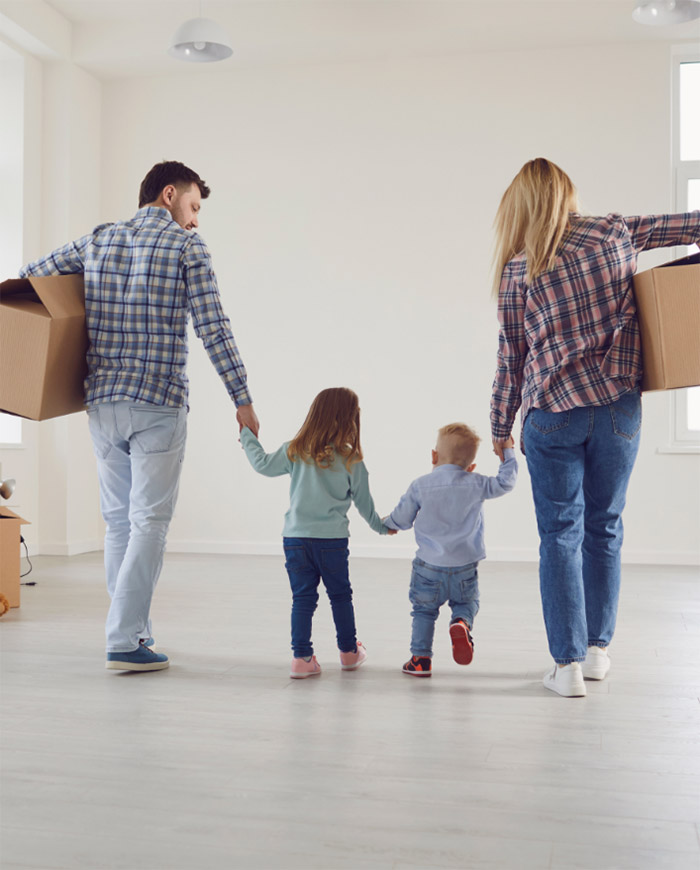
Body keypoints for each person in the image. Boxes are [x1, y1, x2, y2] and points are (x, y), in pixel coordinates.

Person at [19, 160, 259, 672]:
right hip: (157, 403)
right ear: (169, 194)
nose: (196, 220)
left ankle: (133, 630)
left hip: (102, 403)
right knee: (149, 521)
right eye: (193, 206)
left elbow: (32, 276)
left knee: (117, 524)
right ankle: (124, 639)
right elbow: (213, 328)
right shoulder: (186, 247)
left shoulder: (97, 241)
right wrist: (242, 397)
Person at [490, 157, 700, 698]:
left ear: (521, 206)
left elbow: (512, 357)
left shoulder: (518, 269)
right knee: (604, 526)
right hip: (617, 409)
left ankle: (567, 667)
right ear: (567, 195)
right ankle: (599, 652)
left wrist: (498, 424)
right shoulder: (614, 231)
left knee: (559, 535)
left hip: (551, 413)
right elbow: (692, 223)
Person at [239, 387, 393, 679]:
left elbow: (261, 464)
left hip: (295, 539)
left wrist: (247, 435)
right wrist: (382, 527)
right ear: (350, 420)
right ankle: (349, 653)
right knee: (340, 596)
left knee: (303, 599)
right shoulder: (351, 460)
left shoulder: (294, 450)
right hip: (332, 542)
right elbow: (365, 505)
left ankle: (302, 659)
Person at [383, 423, 517, 677]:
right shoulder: (476, 483)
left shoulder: (420, 485)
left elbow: (402, 518)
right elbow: (505, 483)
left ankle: (420, 660)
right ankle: (461, 622)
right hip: (465, 567)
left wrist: (387, 524)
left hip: (428, 567)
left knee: (423, 611)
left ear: (434, 456)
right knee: (466, 603)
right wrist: (507, 452)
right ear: (471, 467)